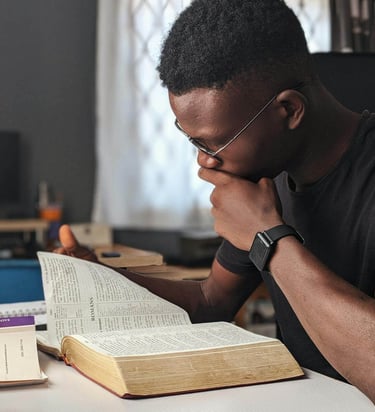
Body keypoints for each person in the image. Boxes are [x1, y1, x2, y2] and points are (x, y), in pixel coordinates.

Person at [55, 0, 375, 403]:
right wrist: (99, 277)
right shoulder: (267, 177)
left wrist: (268, 237)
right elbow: (210, 301)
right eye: (193, 141)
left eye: (214, 142)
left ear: (289, 109)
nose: (204, 160)